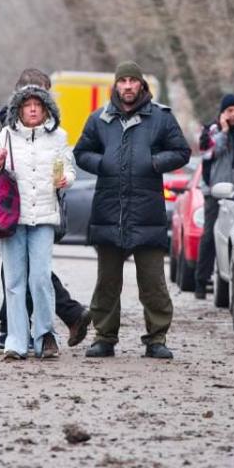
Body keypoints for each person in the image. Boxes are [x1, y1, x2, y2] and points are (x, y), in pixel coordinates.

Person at [74, 61, 190, 359]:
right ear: (116, 85)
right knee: (107, 282)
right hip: (108, 211)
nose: (127, 86)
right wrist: (102, 164)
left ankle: (156, 338)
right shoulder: (99, 118)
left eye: (132, 81)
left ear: (141, 85)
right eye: (122, 81)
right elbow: (81, 152)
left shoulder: (161, 118)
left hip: (147, 213)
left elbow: (181, 151)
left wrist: (154, 162)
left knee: (153, 281)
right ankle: (104, 337)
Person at [0, 69, 91, 350]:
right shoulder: (6, 135)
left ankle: (45, 335)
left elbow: (69, 171)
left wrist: (64, 179)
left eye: (38, 105)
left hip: (44, 216)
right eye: (27, 104)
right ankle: (16, 341)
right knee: (14, 281)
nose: (32, 109)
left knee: (41, 278)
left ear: (46, 108)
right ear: (18, 107)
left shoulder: (59, 137)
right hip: (13, 218)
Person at [194, 93, 234, 299]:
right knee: (210, 234)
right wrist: (223, 132)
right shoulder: (210, 132)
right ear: (222, 113)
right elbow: (209, 153)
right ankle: (201, 281)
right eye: (229, 111)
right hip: (215, 191)